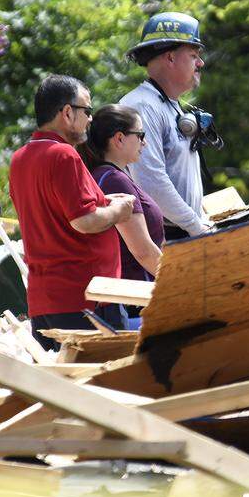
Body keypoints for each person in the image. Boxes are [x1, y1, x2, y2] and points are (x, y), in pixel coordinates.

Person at [8, 74, 135, 350]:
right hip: (86, 300)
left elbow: (56, 210)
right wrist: (119, 210)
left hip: (45, 300)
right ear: (67, 113)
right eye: (87, 111)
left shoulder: (20, 159)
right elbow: (84, 221)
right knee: (109, 387)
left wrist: (103, 202)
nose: (90, 119)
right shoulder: (63, 155)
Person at [119, 11, 213, 240]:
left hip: (182, 234)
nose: (200, 62)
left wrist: (198, 221)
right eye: (193, 55)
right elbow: (151, 180)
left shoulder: (168, 105)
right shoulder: (142, 106)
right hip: (162, 240)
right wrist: (195, 226)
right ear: (170, 58)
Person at [79, 104, 165, 329]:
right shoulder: (114, 180)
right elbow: (143, 251)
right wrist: (179, 283)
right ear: (119, 139)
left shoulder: (107, 176)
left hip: (129, 299)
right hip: (137, 300)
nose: (144, 143)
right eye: (140, 135)